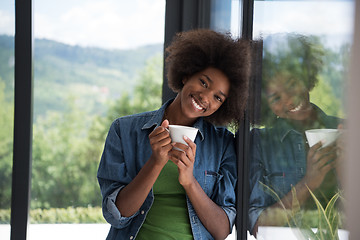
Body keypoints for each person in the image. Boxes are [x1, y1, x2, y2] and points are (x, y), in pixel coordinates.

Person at [97, 29, 252, 240]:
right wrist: (156, 162)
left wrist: (189, 181)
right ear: (187, 73)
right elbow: (116, 215)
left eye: (217, 97)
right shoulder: (124, 130)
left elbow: (222, 230)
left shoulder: (223, 143)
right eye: (204, 83)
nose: (205, 97)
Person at [248, 34, 343, 236]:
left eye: (292, 84)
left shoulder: (347, 129)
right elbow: (258, 226)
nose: (289, 100)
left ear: (307, 77)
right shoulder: (259, 143)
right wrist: (308, 182)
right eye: (276, 97)